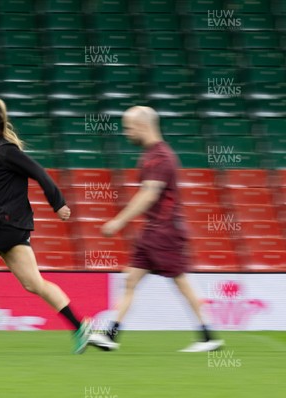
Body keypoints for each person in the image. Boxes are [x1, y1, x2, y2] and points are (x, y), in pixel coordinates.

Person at [0, 97, 91, 354]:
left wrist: (58, 204)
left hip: (2, 225)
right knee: (35, 284)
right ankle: (80, 326)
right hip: (13, 227)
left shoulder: (5, 150)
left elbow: (40, 173)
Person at [89, 106, 224, 352]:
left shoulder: (160, 157)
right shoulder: (151, 155)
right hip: (153, 231)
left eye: (129, 128)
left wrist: (119, 221)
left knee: (180, 281)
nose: (127, 133)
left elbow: (148, 195)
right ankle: (110, 335)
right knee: (130, 280)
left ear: (143, 126)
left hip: (165, 231)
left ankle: (209, 337)